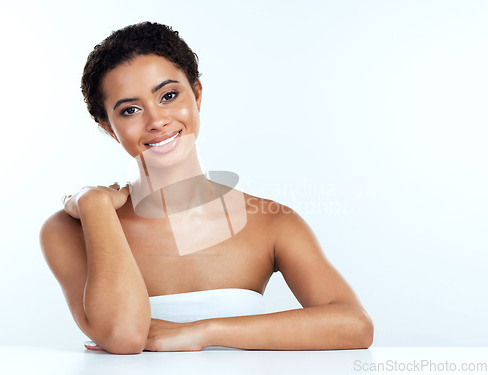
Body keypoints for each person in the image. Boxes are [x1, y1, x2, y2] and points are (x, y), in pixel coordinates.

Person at [39, 21, 374, 354]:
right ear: (109, 128)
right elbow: (124, 336)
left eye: (168, 95)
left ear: (197, 94)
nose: (156, 120)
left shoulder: (272, 222)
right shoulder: (70, 230)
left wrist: (202, 332)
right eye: (130, 110)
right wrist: (95, 204)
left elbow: (354, 326)